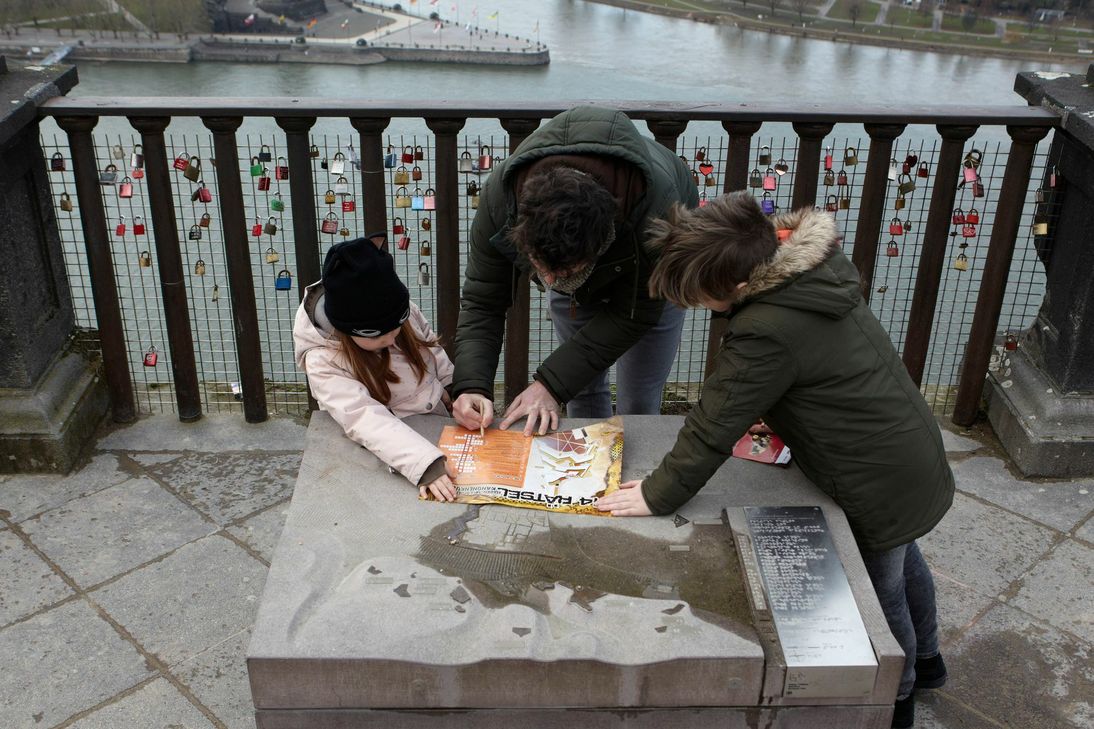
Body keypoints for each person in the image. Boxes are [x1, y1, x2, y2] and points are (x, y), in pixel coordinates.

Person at [596, 192, 954, 729]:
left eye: (699, 298)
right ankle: (928, 662)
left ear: (737, 287)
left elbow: (713, 425)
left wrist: (656, 493)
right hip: (907, 453)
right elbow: (822, 371)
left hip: (872, 479)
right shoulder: (813, 275)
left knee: (880, 599)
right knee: (907, 564)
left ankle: (894, 701)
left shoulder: (766, 329)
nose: (695, 309)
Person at [450, 105, 699, 437]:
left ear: (604, 240)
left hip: (657, 275)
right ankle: (586, 470)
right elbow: (483, 300)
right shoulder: (502, 199)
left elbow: (635, 313)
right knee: (580, 388)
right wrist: (471, 385)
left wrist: (549, 383)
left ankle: (639, 477)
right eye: (541, 268)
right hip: (593, 258)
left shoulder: (658, 211)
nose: (551, 282)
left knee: (640, 393)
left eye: (566, 271)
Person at [293, 234, 457, 502]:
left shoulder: (394, 310)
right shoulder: (322, 358)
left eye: (397, 327)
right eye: (380, 337)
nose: (392, 339)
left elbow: (430, 347)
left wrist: (454, 387)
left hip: (435, 420)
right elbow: (362, 418)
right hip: (393, 448)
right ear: (348, 329)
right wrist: (424, 464)